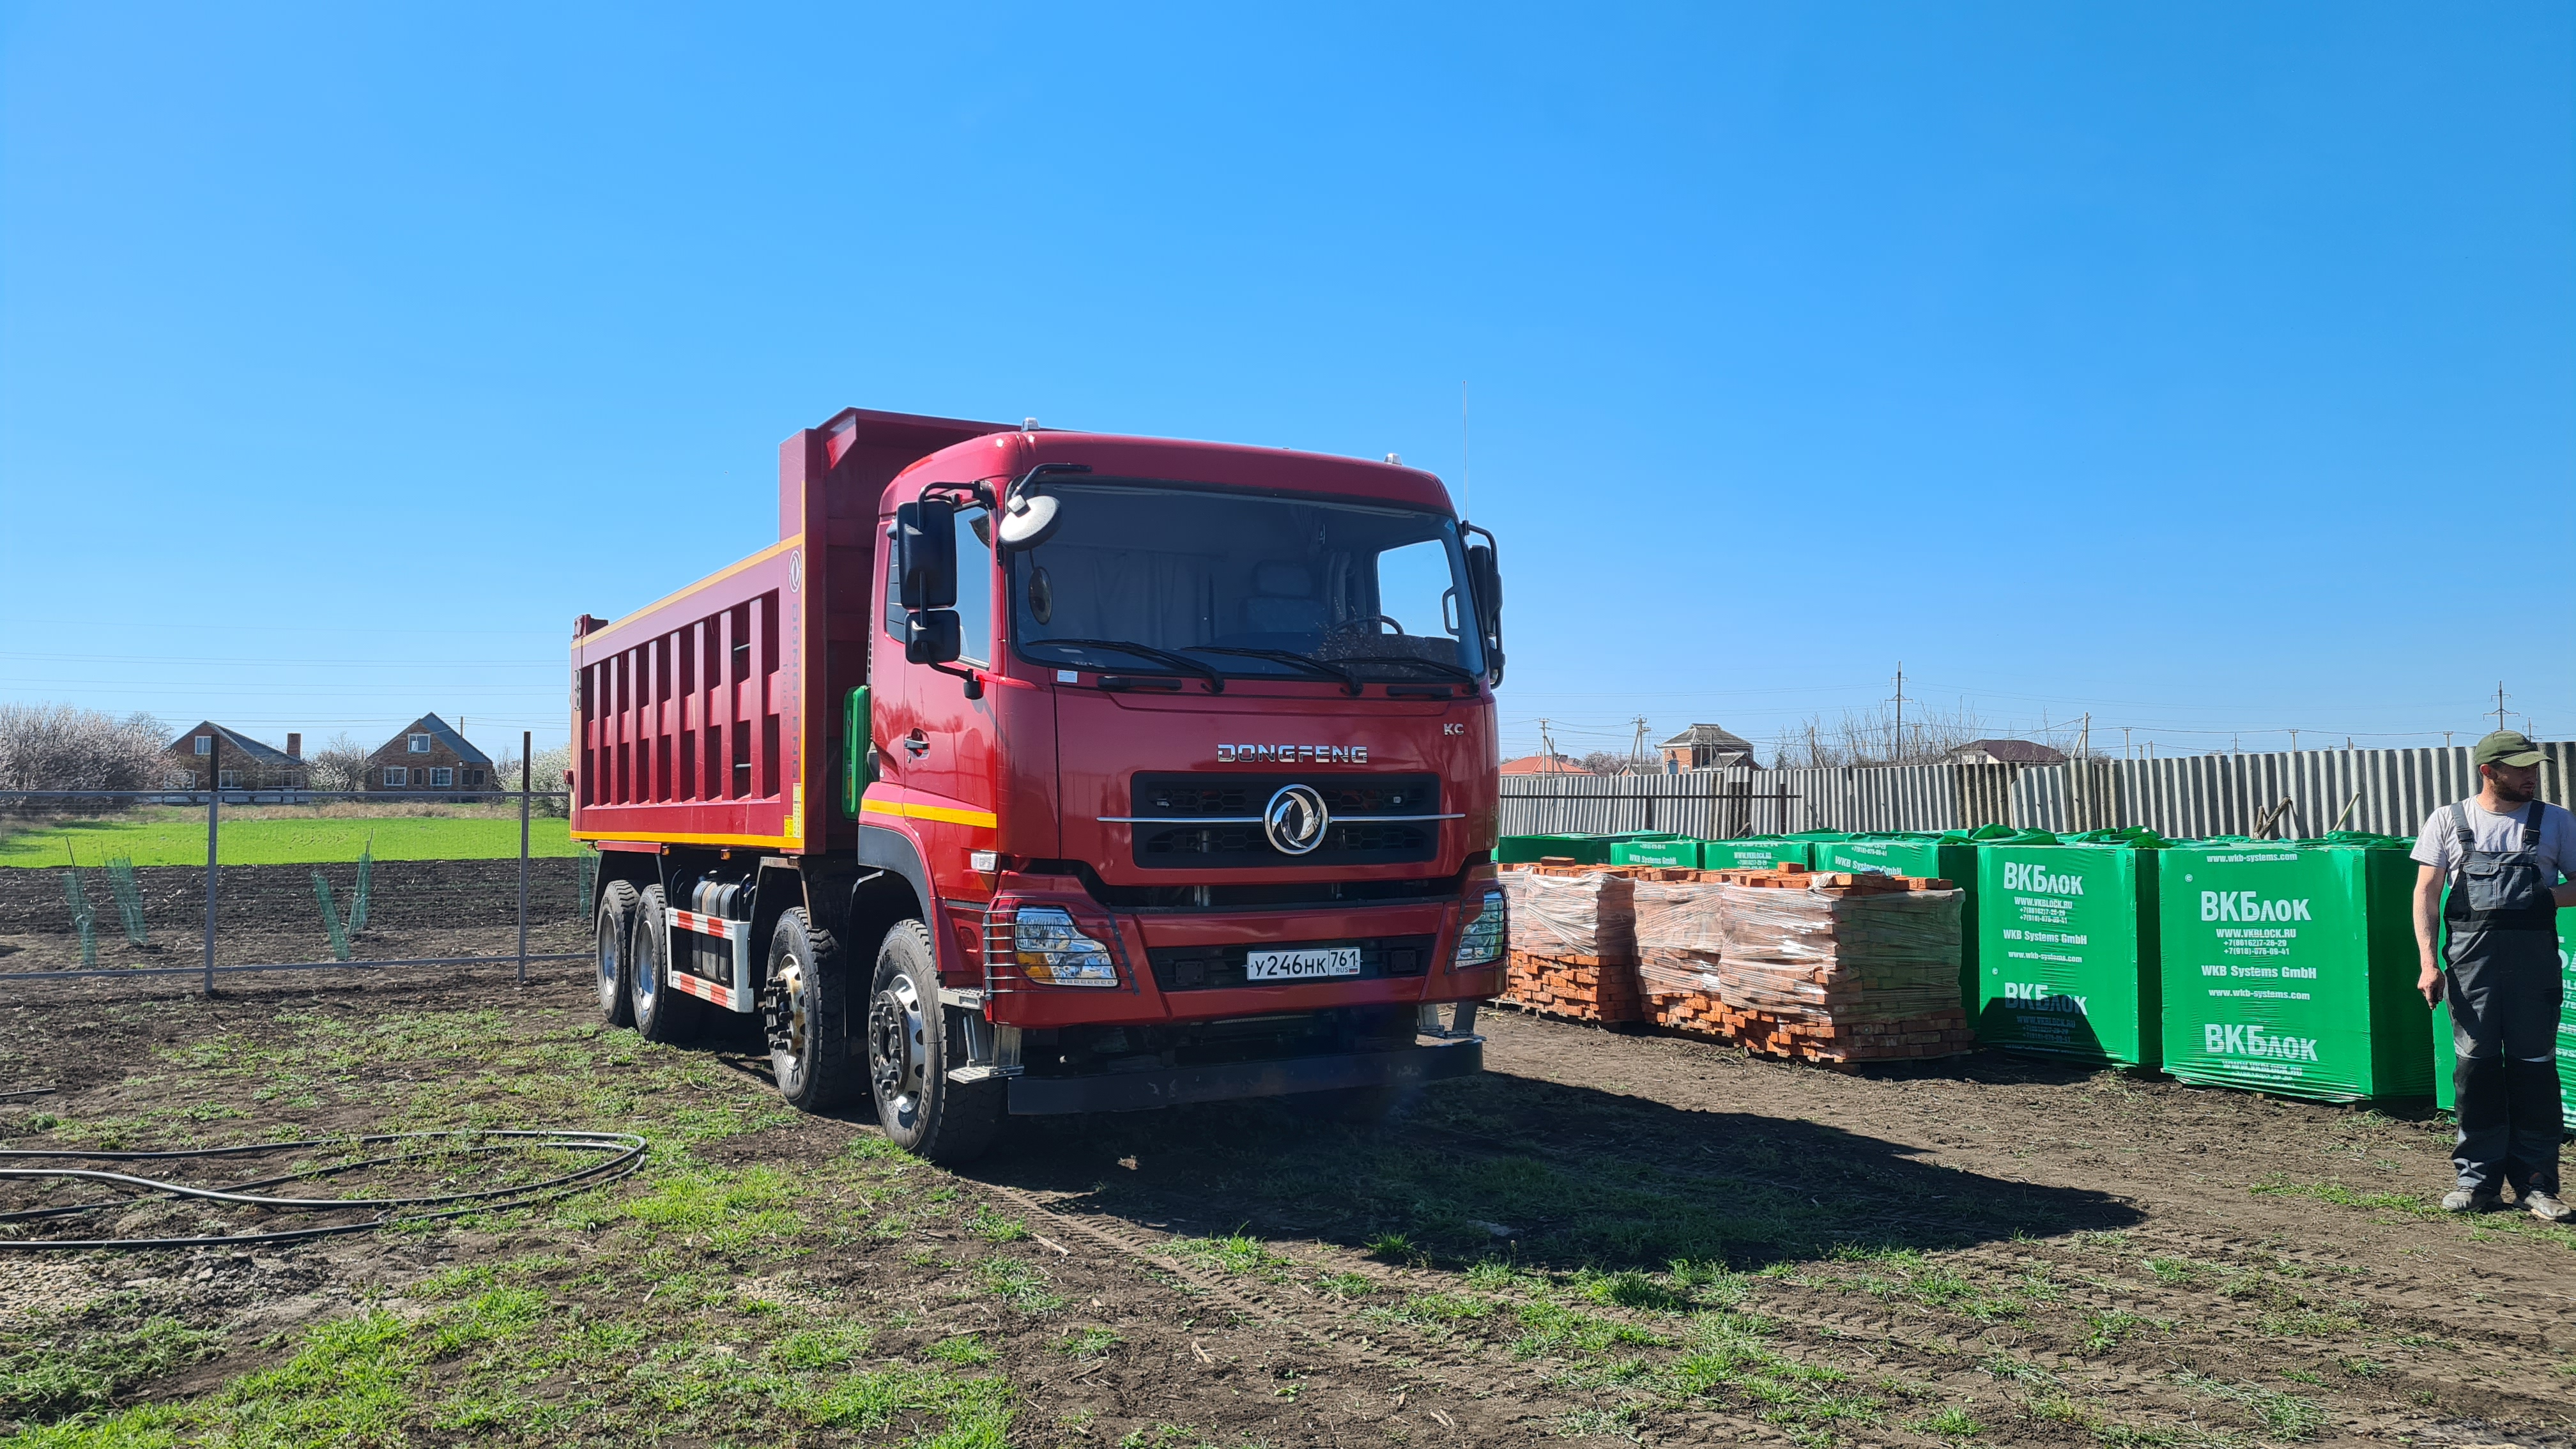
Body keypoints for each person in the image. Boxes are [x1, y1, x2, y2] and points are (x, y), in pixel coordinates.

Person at [2412, 730, 2576, 1220]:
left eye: (2534, 767)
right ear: (2489, 770)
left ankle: (2538, 1185)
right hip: (2470, 968)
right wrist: (2427, 962)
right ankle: (2476, 1182)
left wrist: (2538, 898)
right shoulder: (2448, 821)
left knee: (2534, 1071)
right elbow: (2425, 893)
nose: (2532, 775)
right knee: (2476, 1071)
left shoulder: (2557, 822)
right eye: (2520, 768)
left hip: (2534, 969)